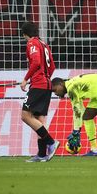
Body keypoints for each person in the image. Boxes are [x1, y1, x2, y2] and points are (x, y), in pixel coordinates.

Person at [20, 22, 59, 162]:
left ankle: (51, 142)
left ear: (24, 34)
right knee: (39, 119)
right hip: (46, 84)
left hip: (39, 84)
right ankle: (42, 154)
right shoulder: (44, 44)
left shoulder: (32, 44)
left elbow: (36, 62)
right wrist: (44, 76)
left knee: (25, 115)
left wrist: (26, 79)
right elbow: (52, 66)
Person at [51, 73, 97, 156]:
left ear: (60, 84)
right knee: (87, 116)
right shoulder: (72, 86)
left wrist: (75, 131)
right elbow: (80, 110)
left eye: (55, 90)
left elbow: (77, 111)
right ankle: (94, 149)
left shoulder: (71, 88)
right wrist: (76, 131)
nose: (55, 93)